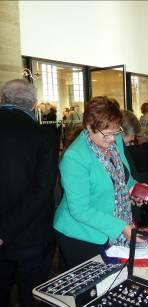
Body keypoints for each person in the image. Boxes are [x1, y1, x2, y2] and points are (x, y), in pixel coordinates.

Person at [54, 96, 139, 269]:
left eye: (116, 132)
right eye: (106, 134)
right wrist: (122, 227)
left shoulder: (114, 141)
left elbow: (124, 177)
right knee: (94, 289)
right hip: (81, 234)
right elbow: (80, 210)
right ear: (88, 127)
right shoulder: (74, 157)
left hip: (113, 222)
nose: (112, 139)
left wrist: (134, 188)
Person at [0, 79, 59, 307]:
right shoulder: (43, 136)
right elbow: (42, 190)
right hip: (32, 235)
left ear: (3, 99)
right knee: (31, 296)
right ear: (34, 104)